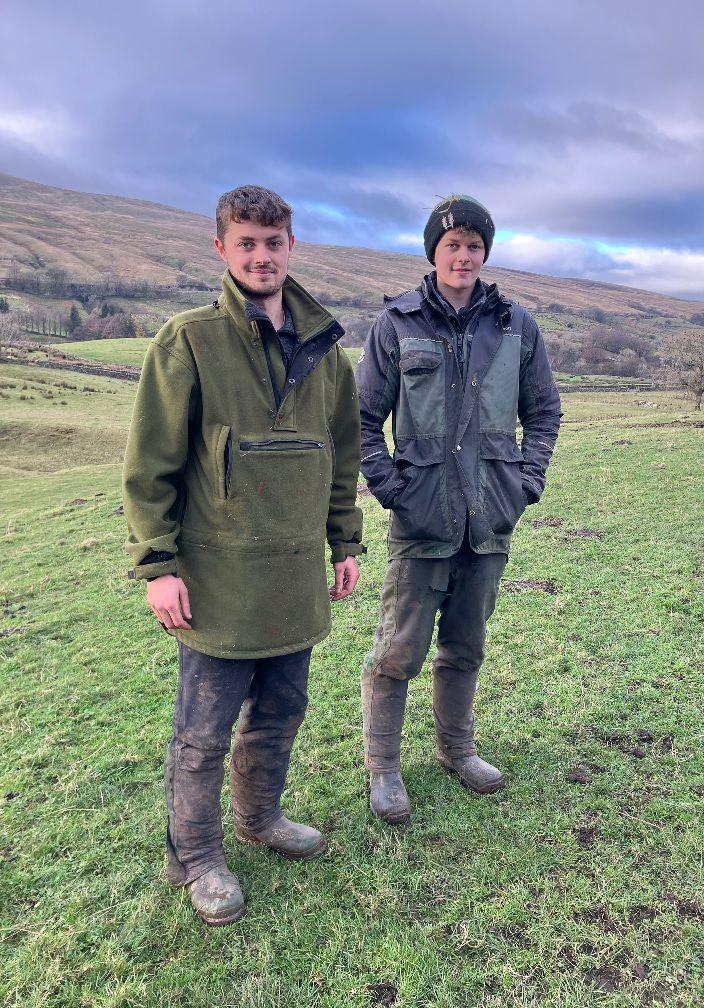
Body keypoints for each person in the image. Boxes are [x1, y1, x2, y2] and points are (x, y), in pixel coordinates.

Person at [122, 185, 364, 925]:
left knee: (282, 712)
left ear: (292, 247)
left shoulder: (328, 355)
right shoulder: (188, 340)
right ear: (221, 248)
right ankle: (194, 857)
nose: (262, 256)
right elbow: (151, 464)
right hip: (217, 580)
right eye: (247, 243)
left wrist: (345, 541)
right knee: (201, 731)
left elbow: (340, 458)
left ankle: (259, 817)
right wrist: (158, 565)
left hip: (293, 575)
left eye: (274, 242)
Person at [356, 194, 561, 824]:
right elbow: (361, 420)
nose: (464, 256)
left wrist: (525, 485)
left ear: (485, 253)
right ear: (433, 252)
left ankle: (456, 749)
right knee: (399, 651)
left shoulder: (515, 326)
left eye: (474, 246)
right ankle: (384, 770)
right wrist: (396, 492)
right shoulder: (397, 324)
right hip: (421, 522)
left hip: (490, 517)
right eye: (453, 245)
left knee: (465, 646)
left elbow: (543, 412)